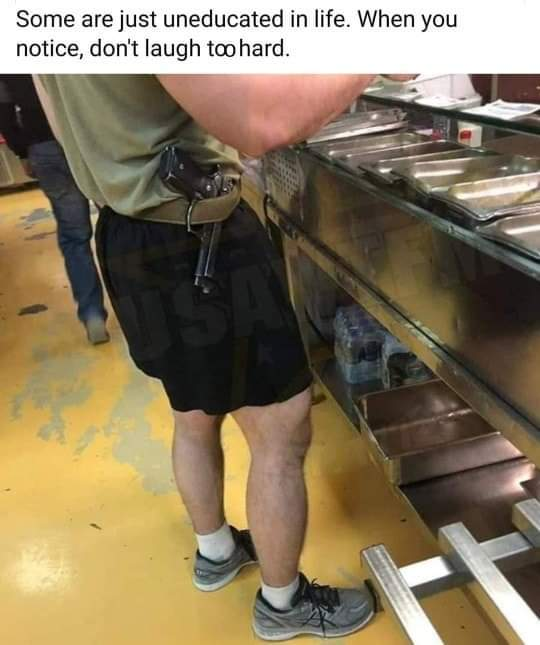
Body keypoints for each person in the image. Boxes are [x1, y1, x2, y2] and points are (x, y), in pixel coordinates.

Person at [38, 74, 411, 640]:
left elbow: (61, 118)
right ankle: (283, 605)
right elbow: (258, 126)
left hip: (125, 228)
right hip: (198, 240)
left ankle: (216, 551)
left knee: (193, 410)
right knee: (281, 431)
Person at [0, 75, 109, 345]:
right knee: (116, 223)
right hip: (87, 139)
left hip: (44, 147)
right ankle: (135, 304)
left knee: (74, 237)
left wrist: (22, 151)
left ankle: (92, 315)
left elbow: (4, 111)